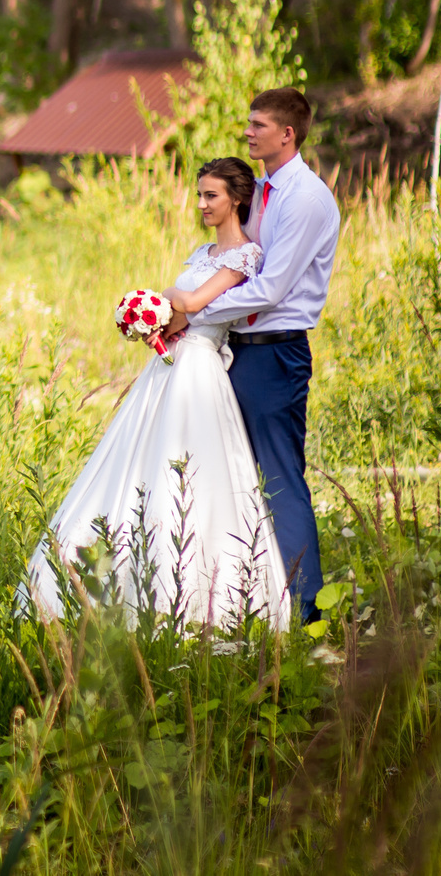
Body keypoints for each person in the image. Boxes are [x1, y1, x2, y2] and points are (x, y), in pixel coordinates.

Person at [24, 157, 288, 629]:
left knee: (191, 469)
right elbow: (182, 308)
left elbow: (193, 303)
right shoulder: (201, 251)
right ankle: (104, 579)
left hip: (200, 369)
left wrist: (166, 301)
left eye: (212, 195)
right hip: (169, 364)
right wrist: (157, 323)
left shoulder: (245, 256)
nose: (203, 203)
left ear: (237, 200)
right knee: (134, 461)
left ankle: (191, 595)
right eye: (201, 194)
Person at [166, 87, 338, 625]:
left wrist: (192, 311)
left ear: (287, 134)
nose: (248, 132)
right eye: (249, 123)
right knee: (232, 473)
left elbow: (271, 289)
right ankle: (243, 596)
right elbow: (240, 262)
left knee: (280, 476)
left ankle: (305, 609)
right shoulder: (262, 190)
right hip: (234, 353)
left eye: (258, 124)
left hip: (274, 354)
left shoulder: (305, 198)